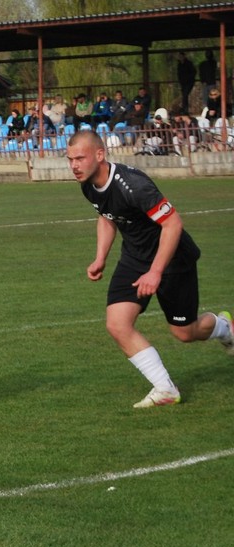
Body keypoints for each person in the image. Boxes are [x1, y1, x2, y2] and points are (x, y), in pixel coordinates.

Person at [65, 130, 233, 408]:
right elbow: (106, 217)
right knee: (117, 324)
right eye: (70, 159)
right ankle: (165, 389)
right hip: (135, 257)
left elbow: (173, 224)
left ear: (99, 154)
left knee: (184, 333)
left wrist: (156, 271)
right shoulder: (87, 184)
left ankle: (225, 328)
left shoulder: (133, 185)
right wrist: (100, 258)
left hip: (173, 258)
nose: (74, 165)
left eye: (80, 158)